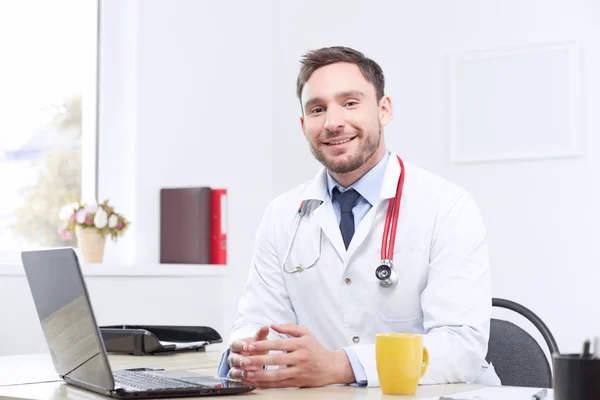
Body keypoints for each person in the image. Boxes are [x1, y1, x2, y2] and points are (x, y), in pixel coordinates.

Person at [216, 45, 500, 388]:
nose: (334, 122)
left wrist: (342, 366)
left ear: (384, 110)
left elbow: (460, 348)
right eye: (318, 109)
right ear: (304, 125)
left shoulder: (447, 206)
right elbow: (256, 320)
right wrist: (247, 349)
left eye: (350, 103)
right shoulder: (282, 215)